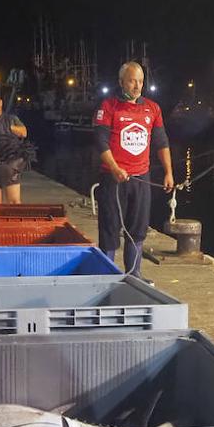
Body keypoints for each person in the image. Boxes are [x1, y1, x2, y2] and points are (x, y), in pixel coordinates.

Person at [94, 61, 174, 277]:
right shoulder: (109, 107)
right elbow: (101, 142)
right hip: (113, 179)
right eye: (132, 81)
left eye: (140, 81)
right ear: (121, 82)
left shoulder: (152, 108)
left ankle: (133, 275)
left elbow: (161, 142)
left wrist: (169, 172)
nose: (137, 85)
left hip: (141, 179)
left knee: (137, 231)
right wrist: (114, 168)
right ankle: (106, 276)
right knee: (110, 230)